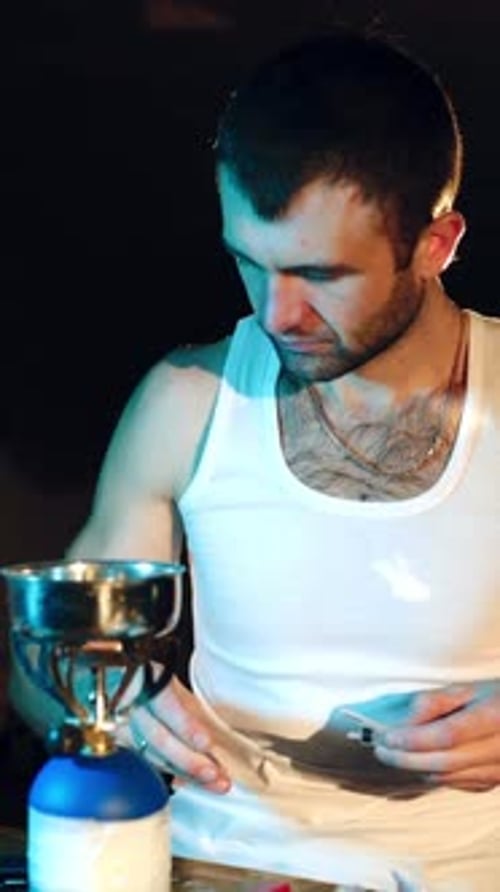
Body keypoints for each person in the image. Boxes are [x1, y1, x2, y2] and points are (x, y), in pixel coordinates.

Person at [10, 25, 500, 891]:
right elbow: (46, 666)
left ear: (437, 244)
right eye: (250, 263)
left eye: (321, 275)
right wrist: (101, 704)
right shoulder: (185, 401)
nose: (278, 314)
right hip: (220, 861)